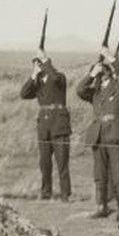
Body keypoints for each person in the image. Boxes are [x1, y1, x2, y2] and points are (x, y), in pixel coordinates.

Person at [76, 47, 119, 221]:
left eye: (103, 70)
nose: (102, 74)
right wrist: (92, 74)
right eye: (100, 72)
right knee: (100, 174)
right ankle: (102, 206)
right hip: (99, 136)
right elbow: (80, 90)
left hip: (116, 135)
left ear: (110, 72)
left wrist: (110, 57)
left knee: (118, 174)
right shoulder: (96, 92)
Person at [19, 49, 71, 202]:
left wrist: (46, 60)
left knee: (62, 161)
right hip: (44, 127)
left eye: (38, 63)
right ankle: (46, 191)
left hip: (59, 125)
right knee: (44, 163)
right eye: (35, 63)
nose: (37, 65)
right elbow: (23, 94)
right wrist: (33, 75)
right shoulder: (38, 82)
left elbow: (54, 79)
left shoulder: (59, 77)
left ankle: (65, 194)